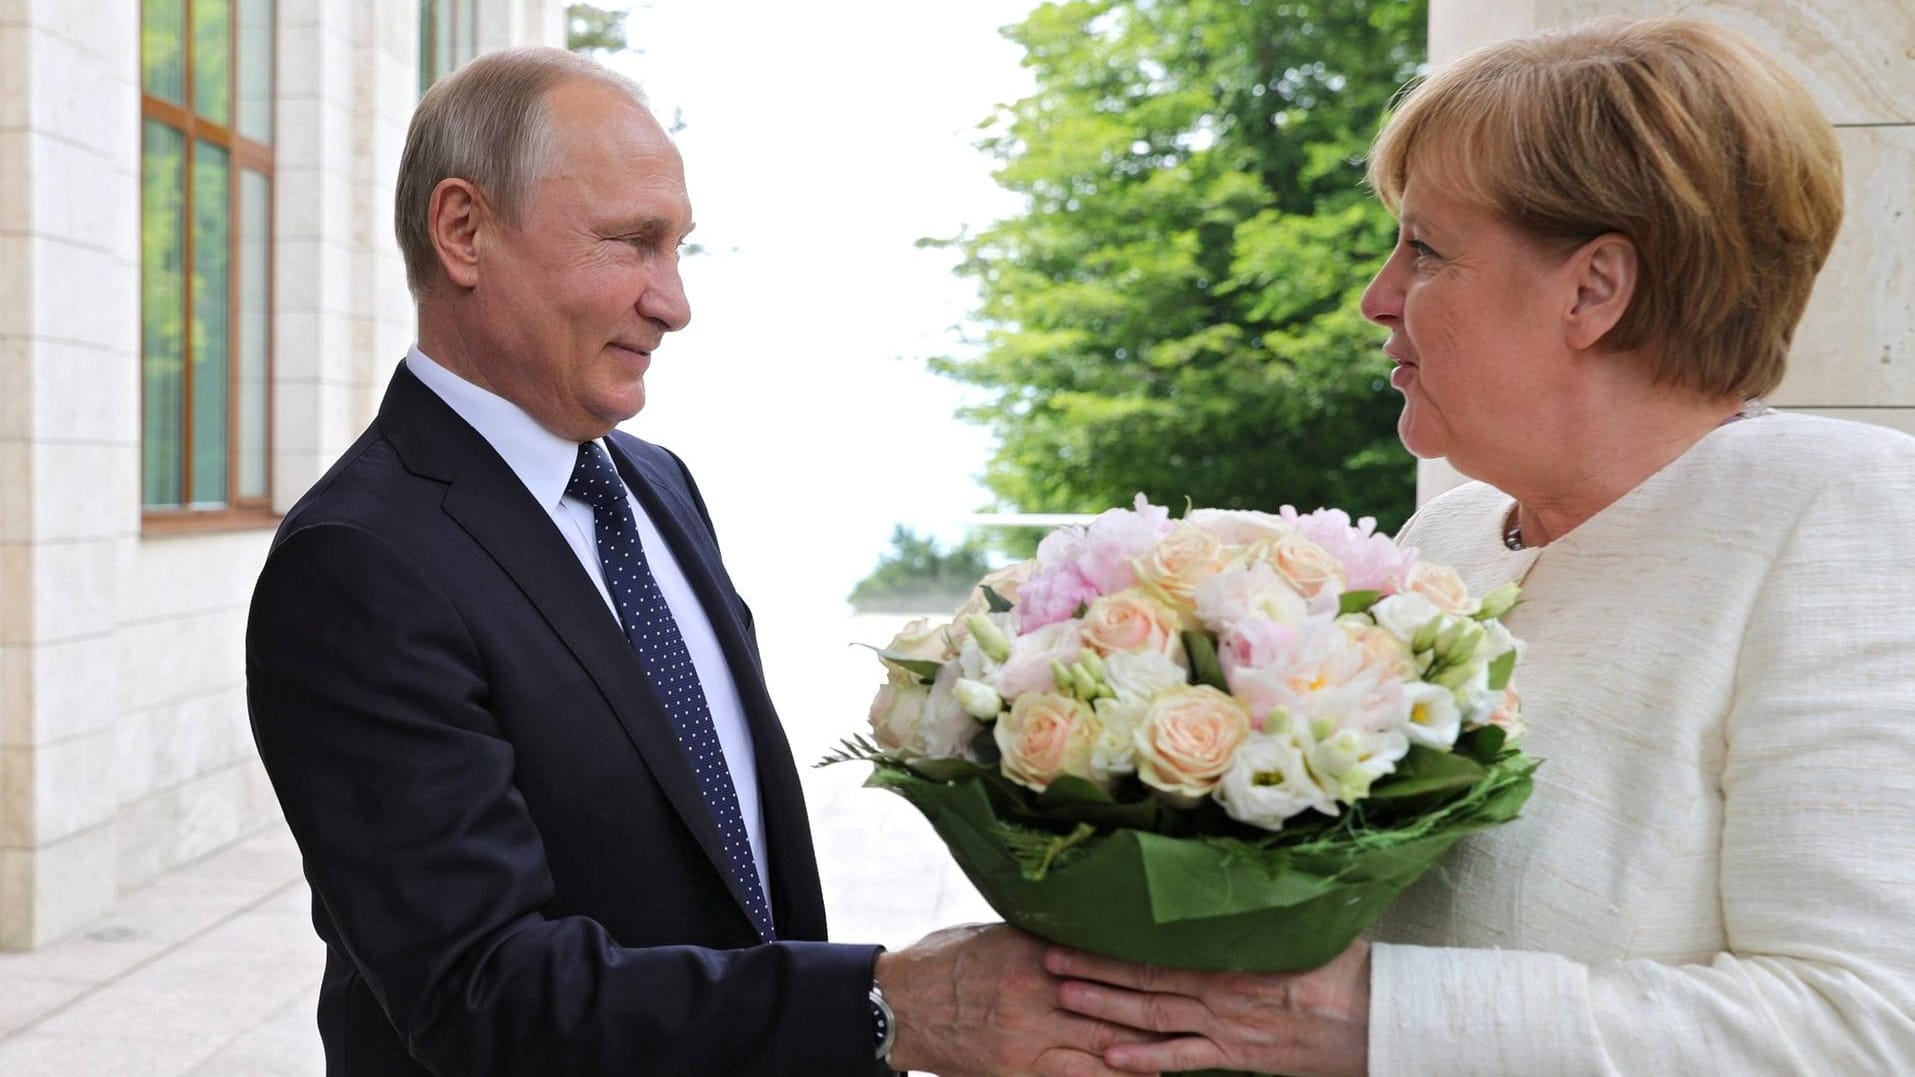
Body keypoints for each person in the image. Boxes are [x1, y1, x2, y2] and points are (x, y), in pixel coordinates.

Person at [1045, 16, 1915, 1075]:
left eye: (1423, 249)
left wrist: (1375, 1025)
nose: (1377, 298)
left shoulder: (1850, 518)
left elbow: (1868, 1025)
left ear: (1593, 288)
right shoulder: (1451, 537)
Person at [246, 46, 1139, 1077]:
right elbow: (478, 993)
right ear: (464, 231)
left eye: (679, 252)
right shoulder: (356, 562)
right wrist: (888, 1006)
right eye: (631, 244)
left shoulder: (654, 484)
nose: (673, 303)